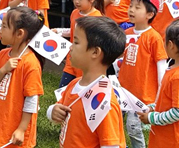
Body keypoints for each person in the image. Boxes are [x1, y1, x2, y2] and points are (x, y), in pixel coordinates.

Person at [48, 16, 127, 148]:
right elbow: (59, 107)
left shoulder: (105, 103)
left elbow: (110, 144)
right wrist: (53, 111)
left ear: (95, 52)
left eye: (76, 42)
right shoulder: (74, 84)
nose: (70, 47)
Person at [0, 6, 45, 148]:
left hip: (17, 132)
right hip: (1, 124)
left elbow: (32, 99)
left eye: (4, 26)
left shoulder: (30, 63)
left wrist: (21, 129)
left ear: (19, 33)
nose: (0, 29)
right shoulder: (2, 55)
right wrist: (3, 69)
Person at [139, 20, 179, 148]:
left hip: (177, 141)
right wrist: (155, 106)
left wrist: (152, 118)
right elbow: (171, 99)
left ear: (171, 45)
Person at [119, 0, 167, 148]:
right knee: (114, 120)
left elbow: (161, 65)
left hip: (141, 94)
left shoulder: (154, 37)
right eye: (130, 6)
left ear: (149, 14)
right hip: (123, 89)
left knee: (133, 127)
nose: (131, 10)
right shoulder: (126, 33)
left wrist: (160, 93)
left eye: (137, 7)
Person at [55, 0, 104, 87]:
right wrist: (59, 31)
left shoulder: (97, 18)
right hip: (71, 61)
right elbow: (73, 31)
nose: (76, 1)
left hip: (86, 64)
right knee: (63, 92)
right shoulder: (74, 13)